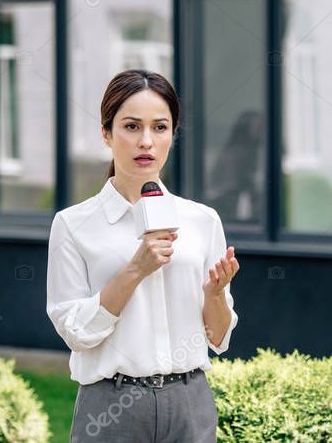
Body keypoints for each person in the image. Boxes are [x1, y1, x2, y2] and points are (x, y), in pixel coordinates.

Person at [46, 69, 239, 442]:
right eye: (131, 127)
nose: (146, 141)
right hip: (110, 406)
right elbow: (74, 330)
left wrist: (215, 295)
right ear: (106, 133)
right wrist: (136, 268)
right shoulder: (73, 224)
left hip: (190, 402)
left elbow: (218, 337)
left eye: (160, 127)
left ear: (172, 134)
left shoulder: (201, 220)